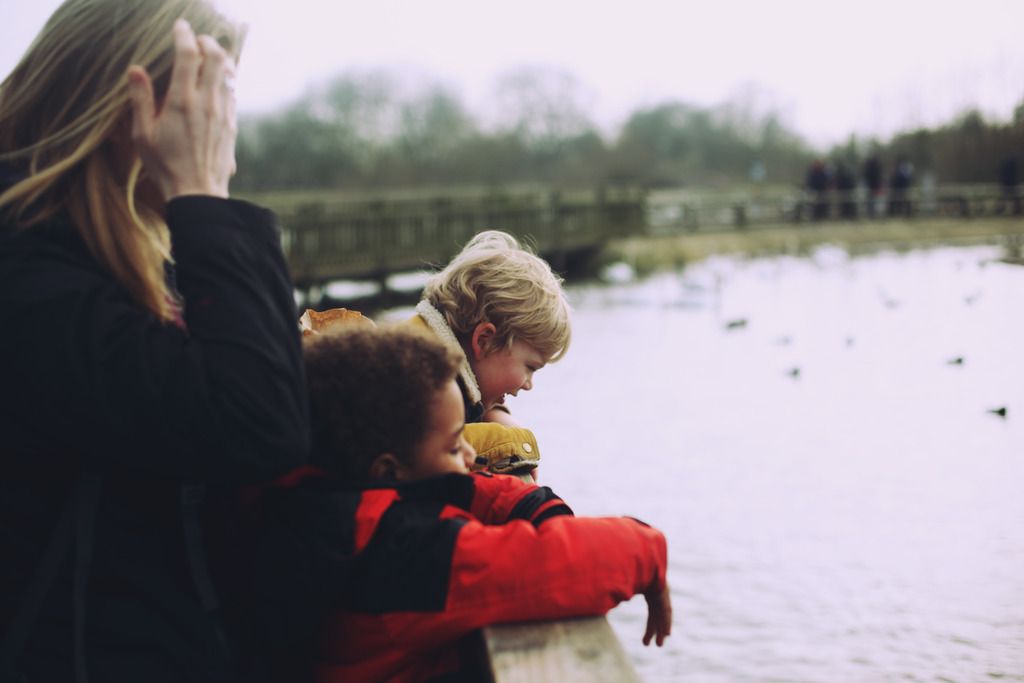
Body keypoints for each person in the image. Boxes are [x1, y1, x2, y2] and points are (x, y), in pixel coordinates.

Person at [0, 2, 308, 682]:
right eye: (203, 98)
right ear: (127, 106)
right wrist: (204, 194)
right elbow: (258, 425)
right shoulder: (28, 277)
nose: (221, 131)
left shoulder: (111, 256)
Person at [239, 325, 671, 682]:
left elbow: (466, 488)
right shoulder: (401, 553)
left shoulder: (325, 499)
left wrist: (540, 509)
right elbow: (549, 567)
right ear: (389, 471)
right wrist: (648, 549)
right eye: (452, 446)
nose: (470, 456)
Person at [411, 230, 571, 426]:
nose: (529, 385)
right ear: (484, 340)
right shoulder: (425, 389)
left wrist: (495, 414)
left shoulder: (423, 351)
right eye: (530, 367)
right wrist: (509, 443)